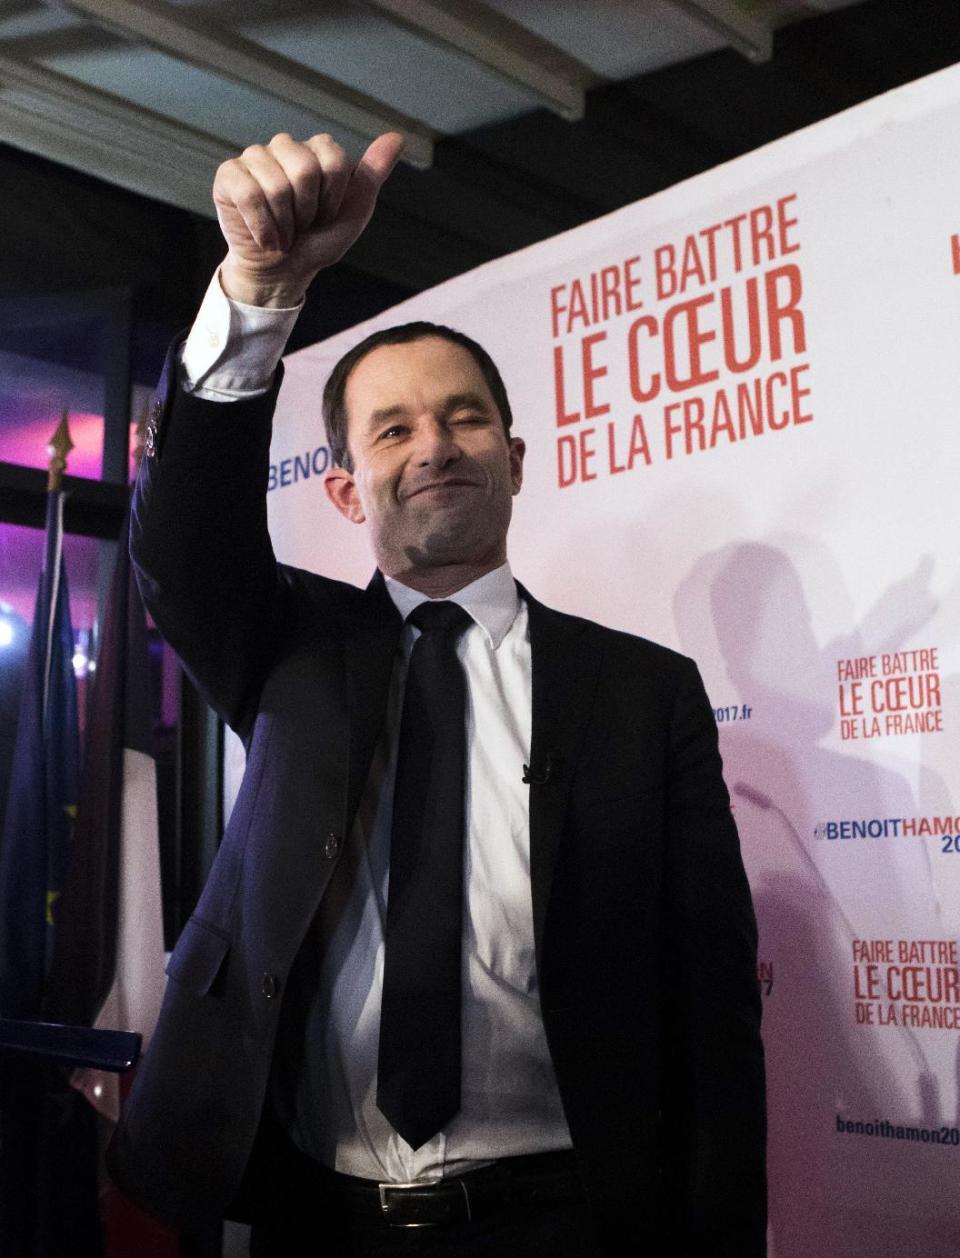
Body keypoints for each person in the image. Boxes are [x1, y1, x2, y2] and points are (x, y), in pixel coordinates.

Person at [108, 132, 766, 1257]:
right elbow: (182, 545)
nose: (435, 447)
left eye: (464, 417)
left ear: (515, 454)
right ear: (343, 480)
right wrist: (263, 293)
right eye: (394, 428)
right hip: (318, 1217)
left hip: (568, 1221)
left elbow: (711, 1009)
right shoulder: (288, 648)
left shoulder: (644, 692)